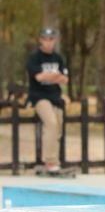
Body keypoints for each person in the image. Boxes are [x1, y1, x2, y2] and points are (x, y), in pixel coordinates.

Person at [25, 28, 70, 175]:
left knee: (57, 129)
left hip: (55, 97)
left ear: (55, 40)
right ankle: (51, 161)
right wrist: (55, 76)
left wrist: (50, 76)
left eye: (51, 39)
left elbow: (65, 79)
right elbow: (38, 77)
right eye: (46, 39)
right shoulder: (35, 58)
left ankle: (52, 161)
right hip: (39, 97)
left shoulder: (58, 58)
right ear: (41, 40)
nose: (49, 42)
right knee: (50, 123)